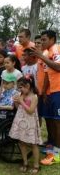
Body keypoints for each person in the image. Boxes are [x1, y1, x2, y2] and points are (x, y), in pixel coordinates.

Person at [31, 30, 60, 163]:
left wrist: (41, 57)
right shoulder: (48, 52)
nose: (41, 42)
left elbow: (58, 67)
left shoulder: (56, 49)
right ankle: (52, 147)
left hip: (58, 90)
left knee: (57, 121)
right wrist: (43, 91)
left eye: (44, 40)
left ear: (52, 39)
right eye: (40, 40)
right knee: (52, 120)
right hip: (51, 91)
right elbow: (48, 74)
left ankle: (57, 155)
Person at [9, 76, 42, 174]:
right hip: (20, 121)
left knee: (33, 144)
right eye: (19, 87)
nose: (20, 89)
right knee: (21, 142)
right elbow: (19, 108)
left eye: (21, 87)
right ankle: (25, 162)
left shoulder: (34, 97)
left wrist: (21, 101)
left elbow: (31, 111)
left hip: (30, 123)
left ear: (28, 86)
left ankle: (36, 165)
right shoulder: (21, 95)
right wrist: (16, 103)